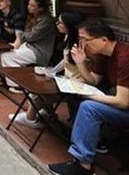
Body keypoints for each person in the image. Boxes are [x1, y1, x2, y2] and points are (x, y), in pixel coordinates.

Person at [48, 20, 129, 175]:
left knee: (88, 107)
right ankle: (92, 143)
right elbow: (93, 80)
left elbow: (123, 102)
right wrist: (80, 62)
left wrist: (89, 96)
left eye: (85, 39)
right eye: (80, 39)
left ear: (104, 40)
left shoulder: (124, 57)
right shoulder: (105, 55)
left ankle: (83, 166)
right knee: (77, 97)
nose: (82, 43)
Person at [10, 11, 88, 129]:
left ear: (69, 25)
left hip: (75, 84)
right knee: (42, 80)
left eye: (60, 22)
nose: (57, 24)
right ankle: (47, 113)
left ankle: (29, 117)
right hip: (67, 79)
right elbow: (65, 60)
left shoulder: (80, 45)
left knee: (38, 91)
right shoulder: (68, 38)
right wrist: (53, 71)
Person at [0, 0, 56, 93]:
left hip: (39, 51)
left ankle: (17, 85)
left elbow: (31, 36)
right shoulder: (31, 18)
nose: (29, 7)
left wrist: (21, 34)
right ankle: (1, 79)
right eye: (29, 4)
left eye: (32, 6)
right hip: (29, 47)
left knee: (7, 57)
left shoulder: (45, 21)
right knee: (1, 54)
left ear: (40, 8)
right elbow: (27, 35)